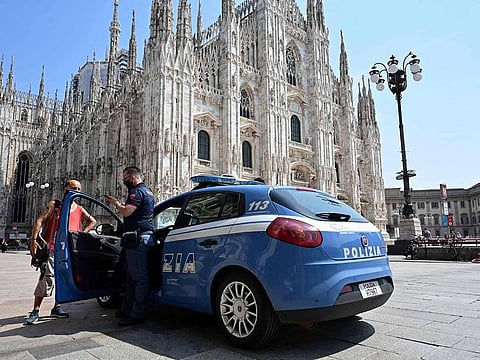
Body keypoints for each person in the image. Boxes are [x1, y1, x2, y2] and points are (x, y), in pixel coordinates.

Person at [25, 180, 97, 325]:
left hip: (70, 250)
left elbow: (92, 221)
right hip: (53, 248)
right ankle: (35, 310)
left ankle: (57, 307)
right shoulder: (55, 205)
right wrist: (34, 238)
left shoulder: (79, 209)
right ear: (65, 188)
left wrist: (81, 234)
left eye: (78, 189)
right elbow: (40, 220)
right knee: (47, 278)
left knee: (63, 279)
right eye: (73, 188)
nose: (76, 190)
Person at [105, 166, 155, 326]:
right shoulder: (148, 192)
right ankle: (127, 309)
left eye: (125, 177)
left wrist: (116, 204)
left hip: (138, 238)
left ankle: (137, 315)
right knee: (130, 276)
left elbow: (127, 212)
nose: (124, 181)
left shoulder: (136, 192)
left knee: (139, 278)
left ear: (132, 178)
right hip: (138, 237)